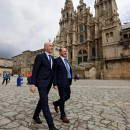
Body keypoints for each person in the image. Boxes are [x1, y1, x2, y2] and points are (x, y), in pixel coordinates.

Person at [30, 42, 58, 130]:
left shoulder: (52, 59)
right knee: (45, 103)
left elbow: (53, 72)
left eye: (52, 46)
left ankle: (35, 115)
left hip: (48, 84)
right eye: (50, 46)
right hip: (41, 83)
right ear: (45, 47)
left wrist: (54, 83)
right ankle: (51, 126)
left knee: (42, 100)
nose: (52, 47)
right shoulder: (40, 57)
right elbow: (35, 71)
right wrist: (33, 84)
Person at [53, 48, 72, 123]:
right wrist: (54, 83)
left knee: (68, 96)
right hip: (60, 82)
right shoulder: (56, 60)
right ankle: (62, 116)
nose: (65, 52)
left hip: (67, 81)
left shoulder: (66, 60)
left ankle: (56, 103)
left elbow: (68, 70)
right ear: (60, 52)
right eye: (64, 51)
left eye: (66, 51)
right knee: (63, 98)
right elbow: (54, 73)